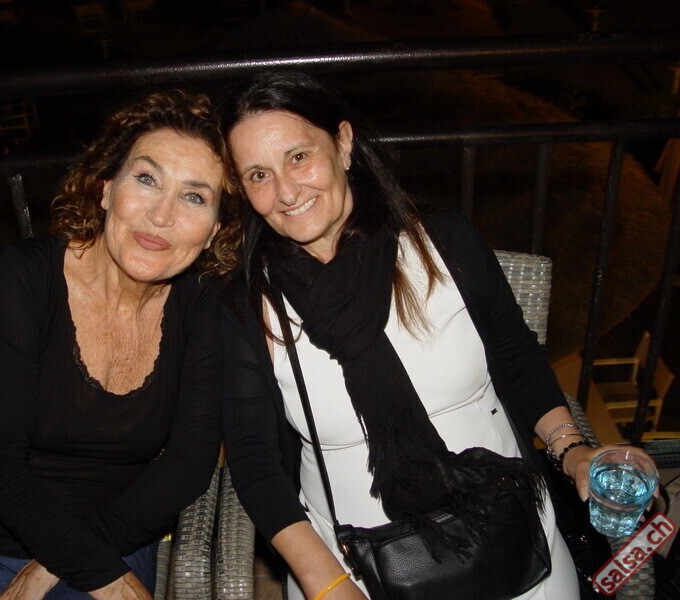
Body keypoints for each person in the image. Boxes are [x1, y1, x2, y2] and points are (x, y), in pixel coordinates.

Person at [218, 70, 652, 600]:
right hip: (350, 565)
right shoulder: (248, 302)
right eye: (258, 175)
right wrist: (322, 580)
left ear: (343, 143)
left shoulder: (444, 241)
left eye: (298, 157)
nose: (286, 192)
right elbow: (254, 458)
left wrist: (572, 449)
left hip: (513, 531)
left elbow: (517, 356)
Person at [0, 90, 240, 600]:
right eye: (146, 179)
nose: (160, 215)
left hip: (113, 532)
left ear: (214, 230)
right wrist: (98, 574)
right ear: (105, 189)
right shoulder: (26, 275)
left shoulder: (203, 303)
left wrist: (66, 567)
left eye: (194, 197)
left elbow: (188, 464)